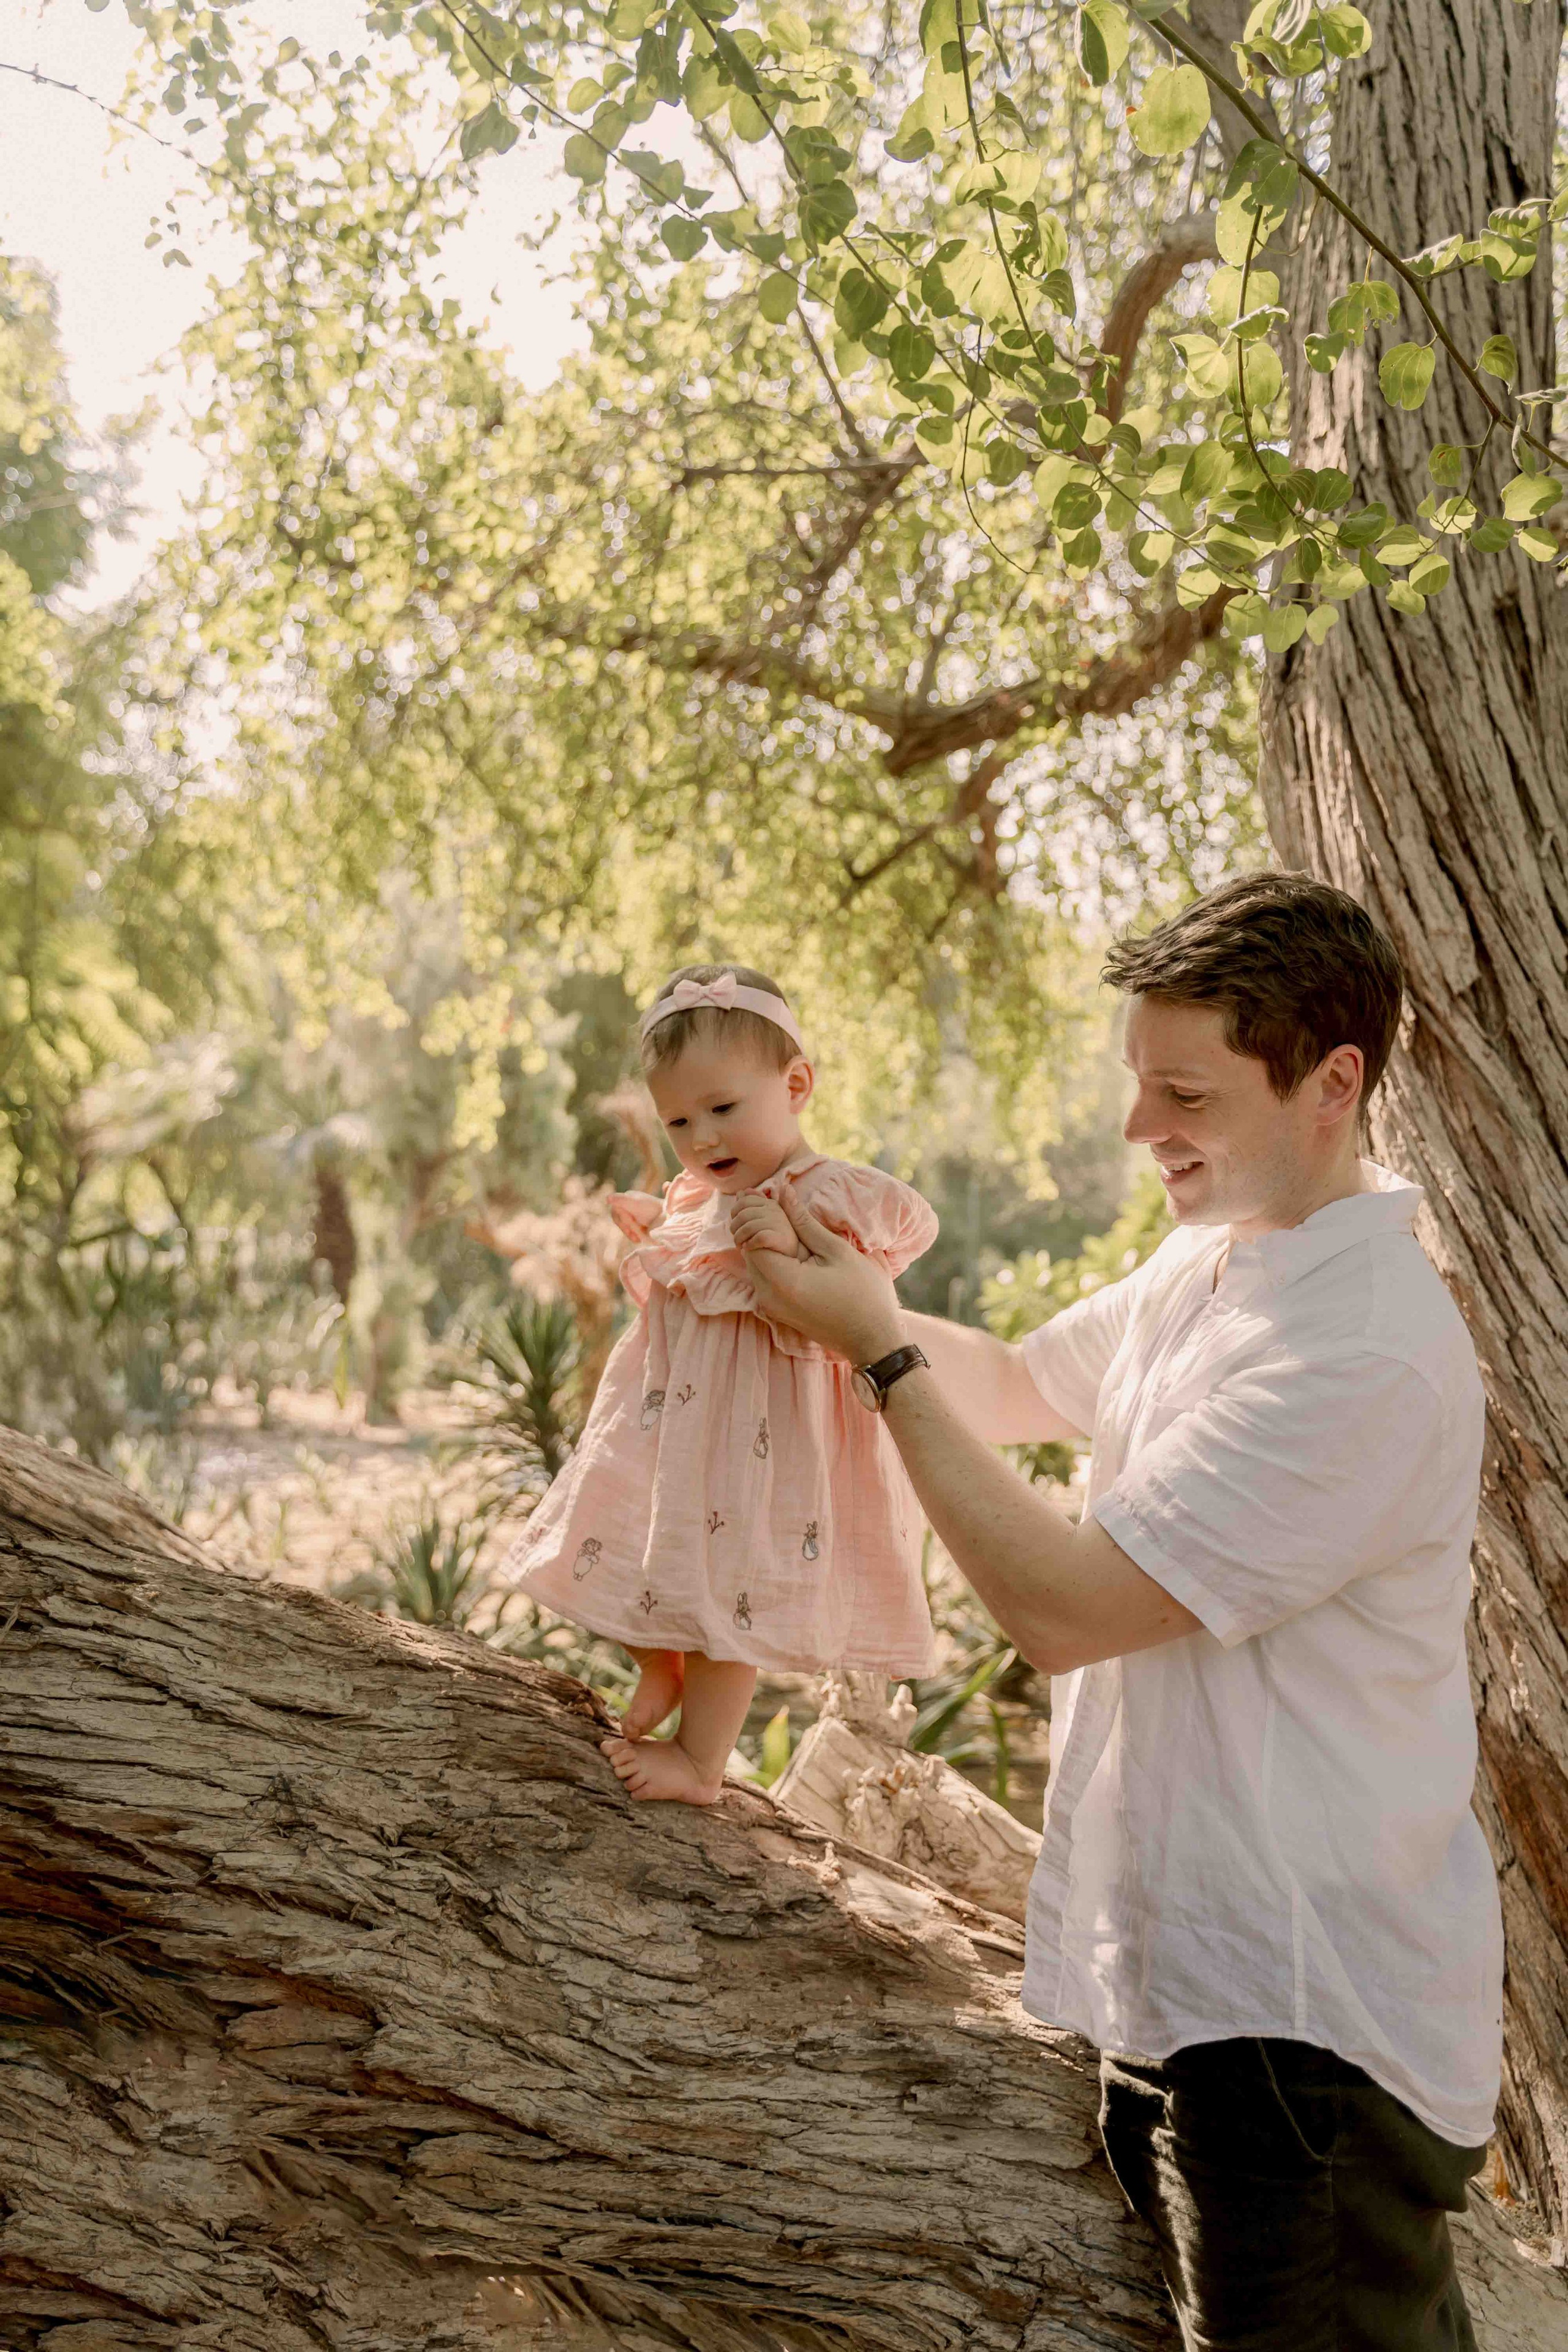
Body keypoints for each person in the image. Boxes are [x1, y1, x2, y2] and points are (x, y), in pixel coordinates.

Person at [732, 873, 1503, 2352]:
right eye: (1136, 1081)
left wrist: (879, 1364)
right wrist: (804, 1272)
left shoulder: (1360, 1351)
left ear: (1331, 1085)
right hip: (1188, 1992)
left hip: (1301, 2035)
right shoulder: (1213, 1264)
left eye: (1182, 1091)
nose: (1137, 1127)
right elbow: (1014, 1384)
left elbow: (1064, 1606)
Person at [501, 960, 938, 1804]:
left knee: (727, 1587)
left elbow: (877, 1269)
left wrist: (784, 1240)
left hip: (759, 1443)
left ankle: (701, 1763)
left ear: (797, 1085)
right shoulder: (703, 1192)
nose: (703, 1139)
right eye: (680, 1121)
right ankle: (657, 1663)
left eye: (725, 1109)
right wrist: (667, 1226)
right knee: (614, 1537)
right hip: (669, 1432)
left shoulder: (826, 1194)